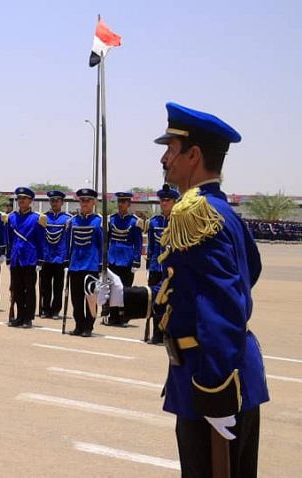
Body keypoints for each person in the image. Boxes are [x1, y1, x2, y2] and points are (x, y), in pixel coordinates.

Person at [96, 102, 268, 477]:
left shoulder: (195, 212)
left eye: (171, 149)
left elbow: (221, 308)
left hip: (213, 379)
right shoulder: (223, 211)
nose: (164, 159)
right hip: (221, 371)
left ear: (194, 155)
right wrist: (127, 297)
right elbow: (229, 279)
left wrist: (215, 394)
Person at [6, 187, 46, 327]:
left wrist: (40, 260)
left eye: (24, 198)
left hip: (30, 258)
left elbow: (41, 241)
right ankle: (19, 316)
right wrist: (8, 257)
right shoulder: (12, 217)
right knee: (17, 289)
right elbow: (9, 240)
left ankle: (28, 318)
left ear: (30, 201)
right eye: (19, 198)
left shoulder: (36, 218)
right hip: (16, 258)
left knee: (29, 290)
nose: (21, 201)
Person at [145, 185, 180, 344]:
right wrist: (148, 266)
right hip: (155, 267)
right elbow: (151, 247)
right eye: (162, 200)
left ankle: (168, 335)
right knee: (155, 302)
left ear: (174, 202)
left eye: (168, 200)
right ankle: (156, 334)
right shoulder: (154, 222)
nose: (164, 203)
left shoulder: (179, 222)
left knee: (170, 304)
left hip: (172, 270)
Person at [67, 188, 103, 337]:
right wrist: (67, 262)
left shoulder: (99, 221)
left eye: (88, 200)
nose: (85, 203)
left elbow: (102, 245)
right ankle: (78, 325)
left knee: (91, 298)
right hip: (75, 265)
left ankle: (88, 327)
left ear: (94, 202)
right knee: (76, 299)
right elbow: (68, 244)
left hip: (91, 265)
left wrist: (101, 265)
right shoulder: (73, 221)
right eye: (82, 200)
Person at [104, 191, 143, 326]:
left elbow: (138, 243)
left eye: (124, 202)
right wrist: (105, 257)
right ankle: (112, 316)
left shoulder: (135, 222)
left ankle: (123, 317)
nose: (121, 204)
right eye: (119, 201)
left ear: (129, 204)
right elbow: (107, 240)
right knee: (111, 289)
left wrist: (136, 261)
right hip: (113, 259)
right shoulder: (111, 219)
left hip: (126, 260)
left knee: (125, 290)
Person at [39, 190, 72, 318]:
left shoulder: (68, 218)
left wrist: (67, 258)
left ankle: (55, 310)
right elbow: (40, 238)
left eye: (57, 201)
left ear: (62, 202)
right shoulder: (43, 217)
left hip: (60, 257)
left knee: (58, 287)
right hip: (46, 256)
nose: (54, 203)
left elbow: (69, 240)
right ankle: (45, 309)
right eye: (52, 200)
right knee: (45, 286)